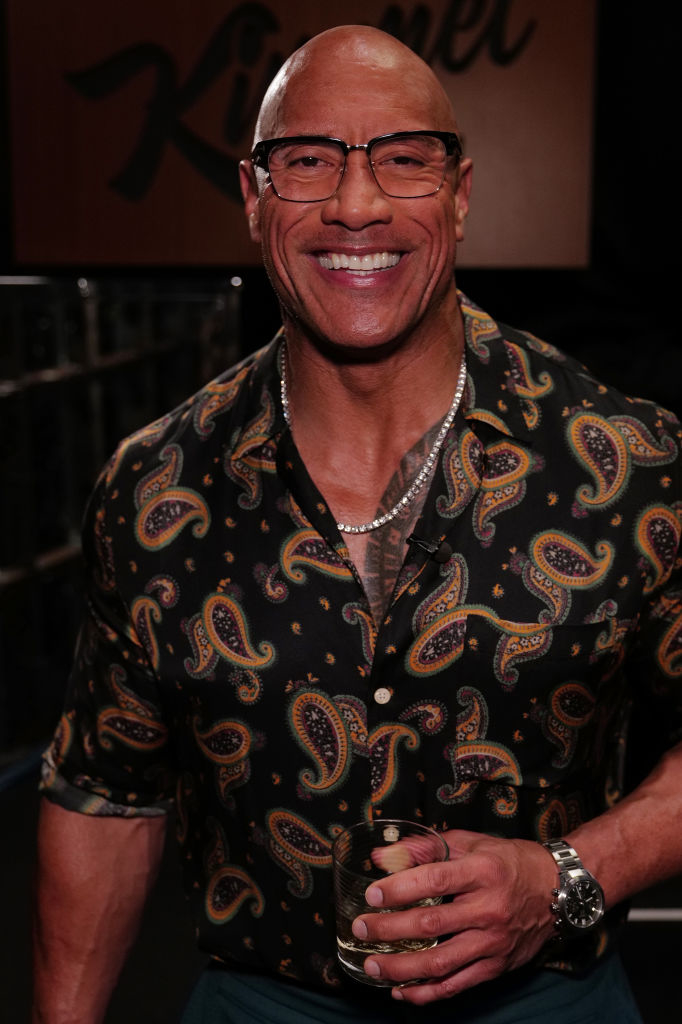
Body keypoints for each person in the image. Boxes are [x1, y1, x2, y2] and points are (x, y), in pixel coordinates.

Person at [33, 24, 682, 1024]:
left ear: (460, 194)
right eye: (307, 162)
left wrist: (567, 872)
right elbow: (106, 796)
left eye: (402, 160)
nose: (355, 204)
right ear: (254, 198)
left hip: (549, 1002)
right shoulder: (156, 490)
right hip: (259, 1001)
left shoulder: (624, 460)